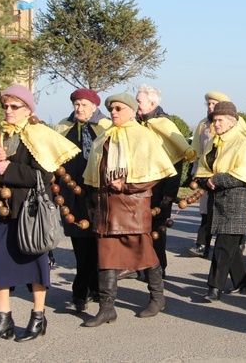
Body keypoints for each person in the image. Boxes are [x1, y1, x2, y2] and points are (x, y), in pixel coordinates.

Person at [0, 84, 80, 344]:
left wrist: (8, 168)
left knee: (34, 267)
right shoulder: (3, 135)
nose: (8, 111)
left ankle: (38, 317)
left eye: (14, 106)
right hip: (4, 210)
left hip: (30, 212)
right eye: (5, 106)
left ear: (27, 109)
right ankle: (3, 319)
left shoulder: (38, 134)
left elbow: (43, 176)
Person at [81, 93, 176, 327]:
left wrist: (127, 185)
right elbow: (93, 175)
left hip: (133, 207)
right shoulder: (104, 137)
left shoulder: (144, 137)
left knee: (145, 254)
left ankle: (157, 298)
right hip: (106, 207)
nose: (114, 112)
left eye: (119, 108)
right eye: (111, 108)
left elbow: (156, 173)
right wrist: (92, 201)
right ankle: (107, 309)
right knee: (106, 258)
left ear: (132, 111)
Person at [194, 101, 246, 301]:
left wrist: (217, 179)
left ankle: (214, 288)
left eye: (220, 120)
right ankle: (243, 281)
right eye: (214, 120)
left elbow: (244, 175)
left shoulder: (242, 142)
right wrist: (206, 180)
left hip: (236, 201)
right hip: (217, 200)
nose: (216, 124)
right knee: (229, 246)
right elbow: (203, 169)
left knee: (223, 246)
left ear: (232, 122)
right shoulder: (213, 142)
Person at [53, 88, 111, 313]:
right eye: (76, 104)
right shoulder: (63, 127)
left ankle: (91, 288)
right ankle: (83, 291)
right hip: (71, 194)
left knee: (98, 243)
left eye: (84, 105)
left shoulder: (105, 127)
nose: (79, 109)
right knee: (80, 242)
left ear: (95, 107)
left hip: (99, 193)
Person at [133, 84, 195, 279]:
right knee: (141, 229)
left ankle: (159, 268)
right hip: (142, 185)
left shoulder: (164, 124)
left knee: (157, 229)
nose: (136, 105)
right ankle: (143, 266)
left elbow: (176, 161)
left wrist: (169, 195)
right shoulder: (138, 123)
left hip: (161, 188)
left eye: (139, 101)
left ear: (152, 103)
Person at [188, 91, 246, 259]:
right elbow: (196, 149)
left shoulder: (238, 124)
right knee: (206, 211)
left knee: (231, 224)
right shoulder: (203, 124)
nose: (211, 107)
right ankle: (202, 244)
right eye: (209, 104)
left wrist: (223, 177)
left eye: (214, 104)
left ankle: (238, 244)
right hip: (208, 174)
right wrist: (198, 173)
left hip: (230, 179)